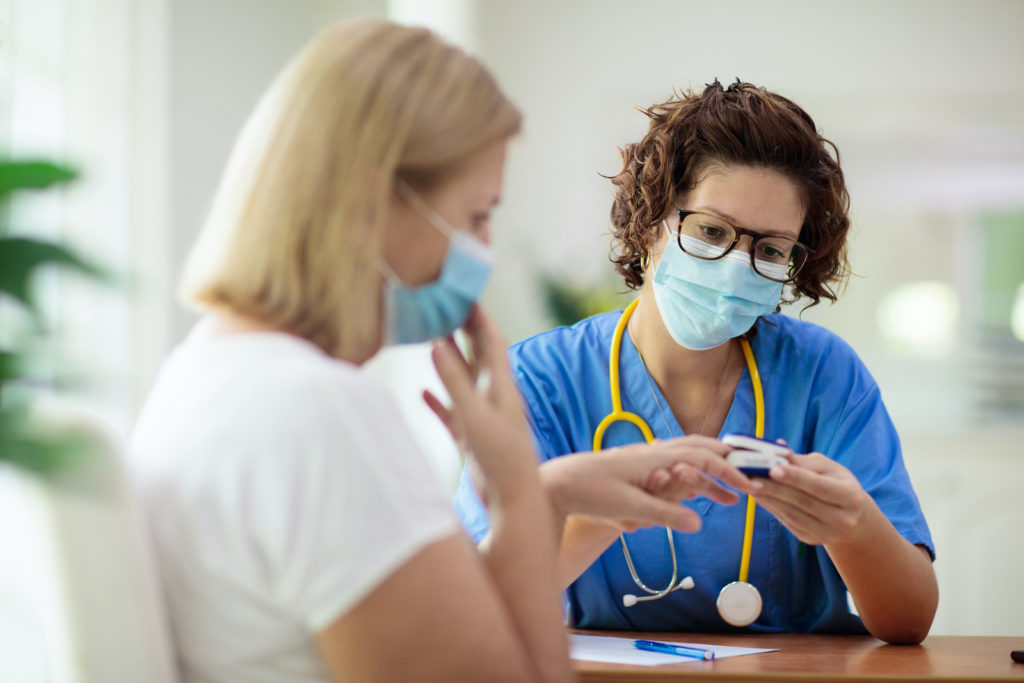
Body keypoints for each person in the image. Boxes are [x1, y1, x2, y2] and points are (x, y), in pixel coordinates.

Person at [129, 22, 760, 683]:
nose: (481, 250)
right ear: (375, 204)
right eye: (478, 214)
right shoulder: (320, 414)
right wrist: (517, 493)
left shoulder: (205, 370)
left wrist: (551, 492)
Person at [454, 79, 939, 644]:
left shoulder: (822, 376)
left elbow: (909, 622)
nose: (738, 265)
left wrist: (855, 528)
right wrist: (605, 513)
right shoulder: (539, 381)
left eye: (771, 249)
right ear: (649, 222)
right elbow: (480, 606)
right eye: (711, 231)